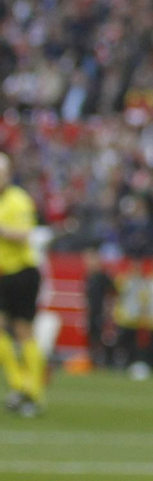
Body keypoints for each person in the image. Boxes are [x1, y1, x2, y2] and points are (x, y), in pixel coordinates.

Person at [0, 153, 46, 417]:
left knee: (23, 331)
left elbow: (24, 234)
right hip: (4, 273)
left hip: (23, 272)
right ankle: (18, 384)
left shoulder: (18, 200)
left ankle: (34, 392)